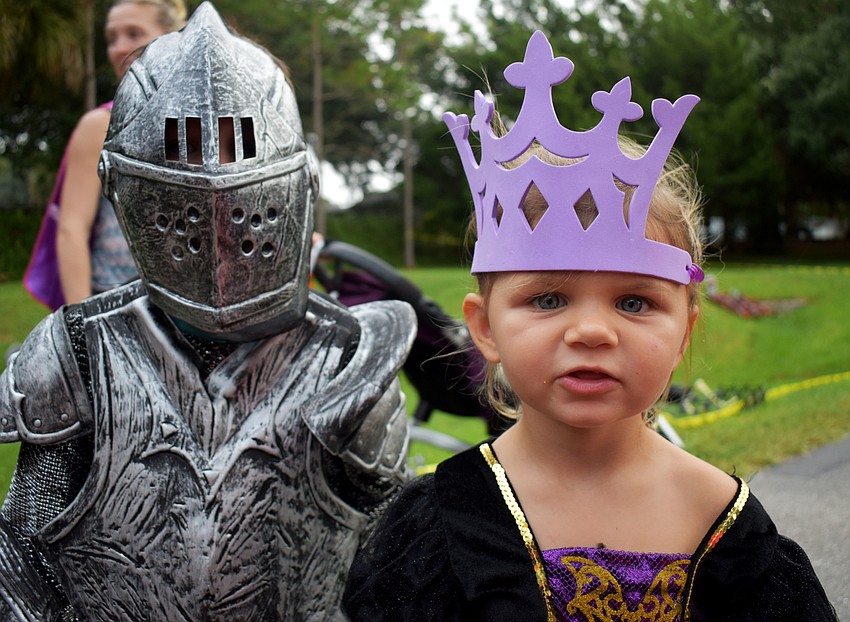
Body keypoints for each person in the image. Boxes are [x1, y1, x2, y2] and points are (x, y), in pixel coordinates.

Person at [343, 31, 837, 621]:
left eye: (633, 302)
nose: (592, 332)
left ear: (685, 332)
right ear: (486, 329)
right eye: (549, 299)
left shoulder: (728, 529)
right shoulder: (432, 531)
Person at [0, 3, 415, 620]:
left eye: (234, 154)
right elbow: (23, 564)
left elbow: (390, 564)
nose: (215, 192)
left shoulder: (346, 359)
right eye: (187, 157)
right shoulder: (78, 354)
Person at [24, 0, 187, 310]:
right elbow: (72, 229)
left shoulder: (197, 125)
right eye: (112, 38)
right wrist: (82, 330)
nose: (118, 48)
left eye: (133, 33)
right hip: (114, 309)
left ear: (171, 36)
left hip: (186, 314)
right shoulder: (99, 125)